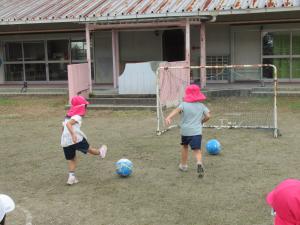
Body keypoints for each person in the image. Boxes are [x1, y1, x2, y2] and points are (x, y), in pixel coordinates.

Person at [165, 84, 210, 177]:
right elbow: (208, 116)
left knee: (185, 147)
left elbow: (176, 110)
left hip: (185, 131)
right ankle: (199, 163)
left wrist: (169, 117)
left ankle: (183, 165)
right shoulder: (201, 106)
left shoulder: (183, 105)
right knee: (197, 150)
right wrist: (202, 121)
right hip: (197, 132)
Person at [61, 95, 108, 185]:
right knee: (89, 149)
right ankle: (100, 152)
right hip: (77, 139)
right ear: (82, 108)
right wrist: (73, 134)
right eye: (85, 107)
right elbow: (68, 125)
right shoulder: (77, 117)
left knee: (72, 159)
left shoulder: (67, 116)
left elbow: (63, 127)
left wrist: (64, 136)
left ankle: (71, 177)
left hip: (65, 141)